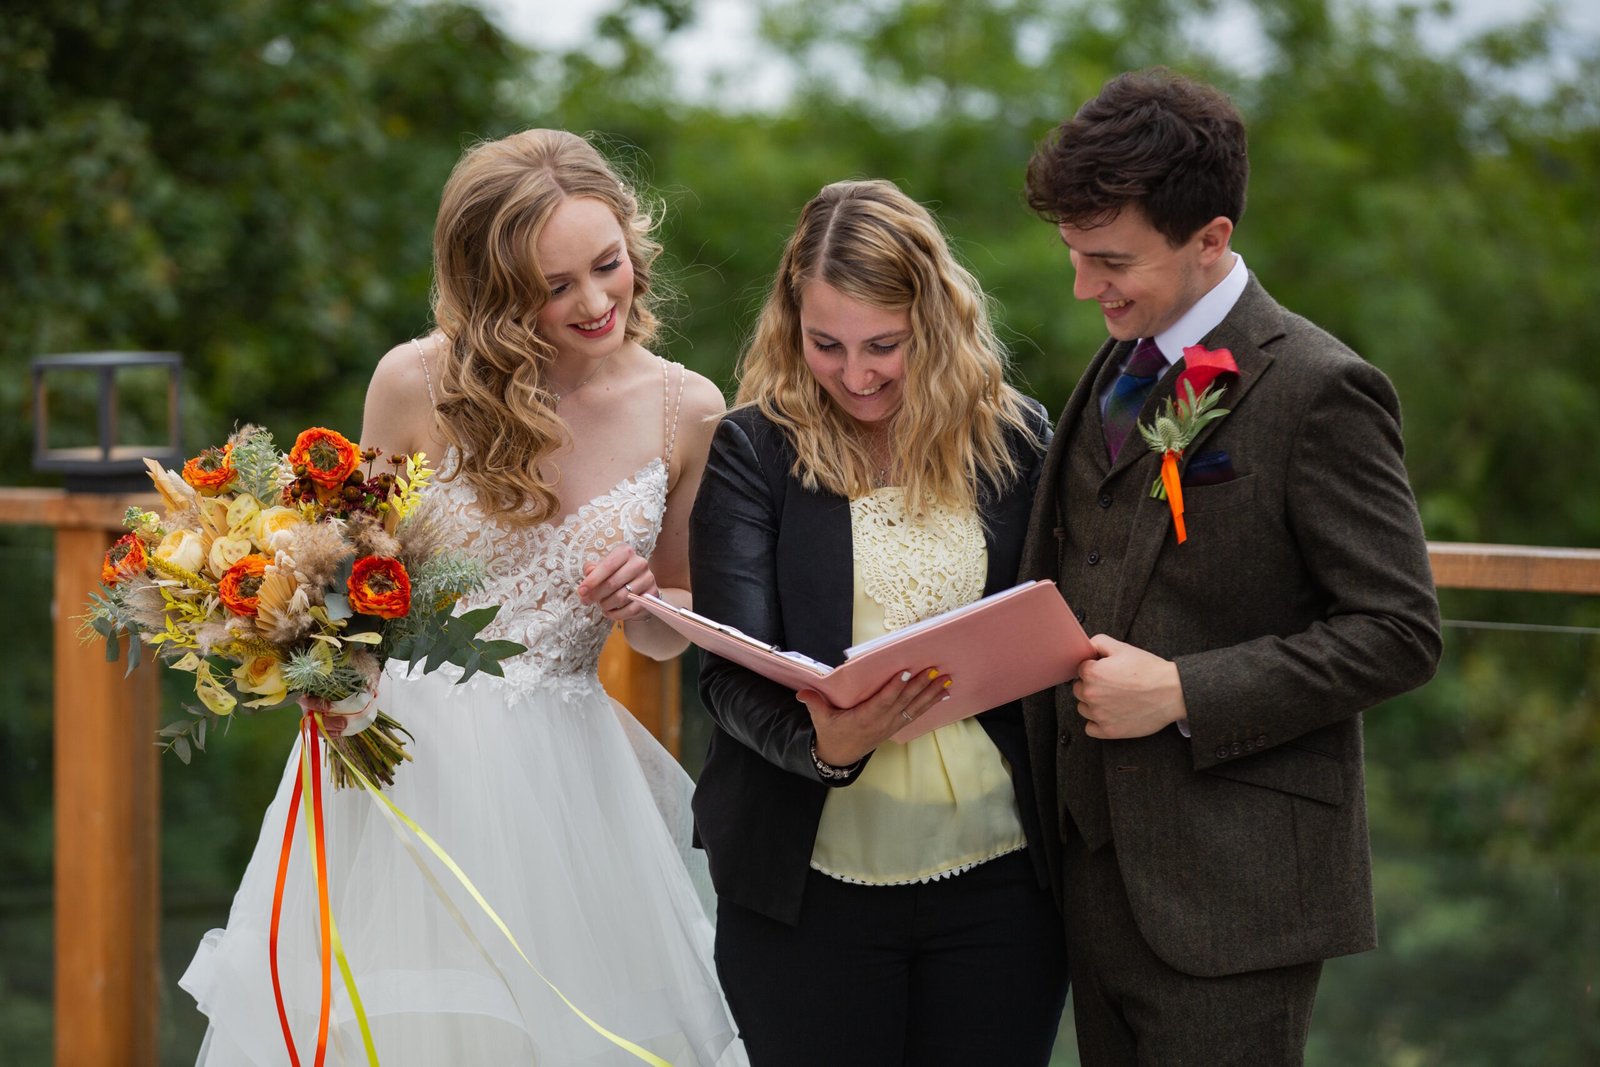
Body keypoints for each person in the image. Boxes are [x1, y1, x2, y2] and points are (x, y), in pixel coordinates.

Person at [180, 129, 746, 1065]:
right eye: (555, 286)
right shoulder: (413, 384)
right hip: (391, 767)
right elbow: (349, 582)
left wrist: (643, 602)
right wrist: (324, 668)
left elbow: (665, 634)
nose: (597, 301)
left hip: (569, 791)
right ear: (492, 291)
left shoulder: (685, 410)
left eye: (608, 266)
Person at [1017, 68, 1443, 1065]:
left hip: (1234, 895)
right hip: (1088, 880)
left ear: (1211, 239)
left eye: (1111, 260)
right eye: (1075, 257)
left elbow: (1398, 630)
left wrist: (1179, 690)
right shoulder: (1116, 359)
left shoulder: (1321, 388)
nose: (1085, 287)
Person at [688, 179, 1069, 1066]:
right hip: (804, 883)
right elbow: (729, 674)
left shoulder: (1017, 439)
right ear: (792, 325)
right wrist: (829, 741)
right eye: (827, 344)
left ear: (933, 325)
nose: (856, 375)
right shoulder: (754, 449)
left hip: (1004, 878)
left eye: (884, 346)